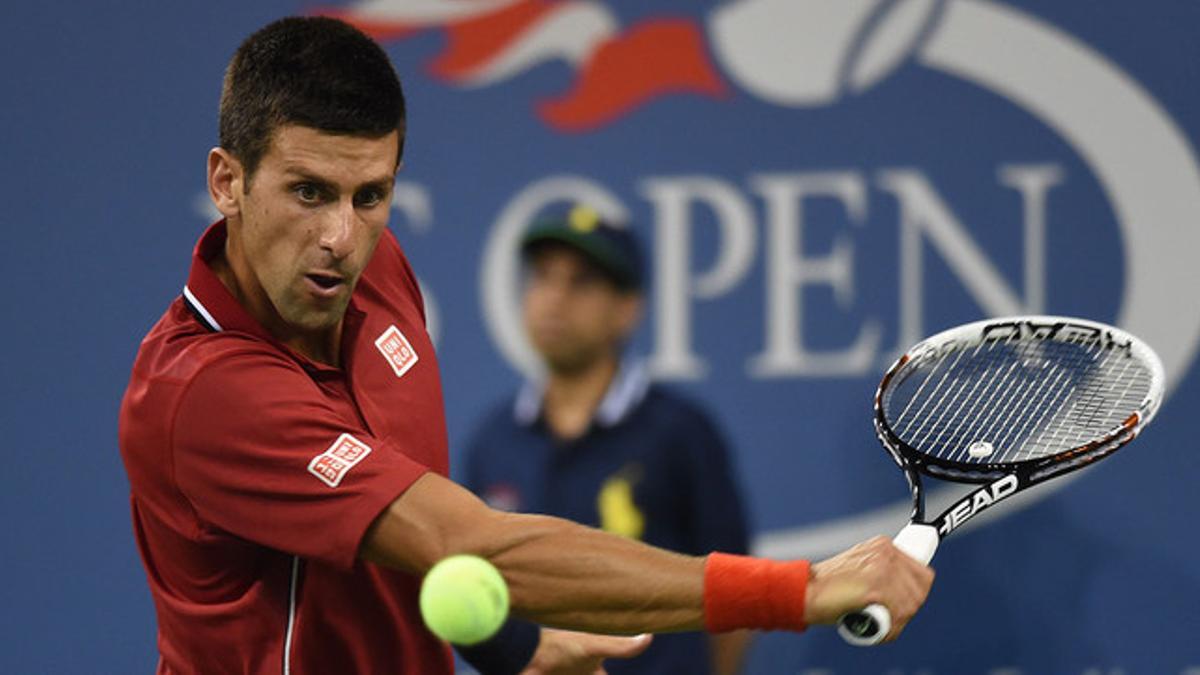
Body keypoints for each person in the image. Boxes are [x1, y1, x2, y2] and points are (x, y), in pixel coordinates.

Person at [117, 16, 934, 675]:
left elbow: (403, 539)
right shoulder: (207, 393)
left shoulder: (376, 268)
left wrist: (511, 643)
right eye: (308, 191)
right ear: (228, 181)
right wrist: (801, 589)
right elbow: (468, 542)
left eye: (371, 195)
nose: (340, 236)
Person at [464, 206, 754, 674]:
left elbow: (736, 591)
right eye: (543, 277)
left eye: (581, 282)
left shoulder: (680, 432)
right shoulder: (492, 440)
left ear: (627, 309)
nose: (554, 299)